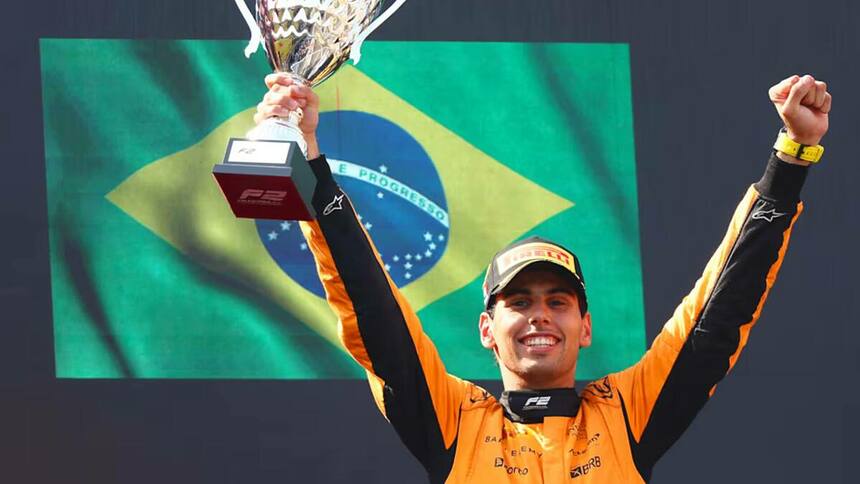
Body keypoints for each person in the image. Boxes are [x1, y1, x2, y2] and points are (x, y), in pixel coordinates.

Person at [254, 73, 831, 483]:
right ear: (487, 328)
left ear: (584, 327)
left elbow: (719, 310)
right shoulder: (452, 419)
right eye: (518, 301)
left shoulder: (627, 413)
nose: (539, 315)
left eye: (558, 301)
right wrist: (308, 165)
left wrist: (792, 157)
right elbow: (373, 311)